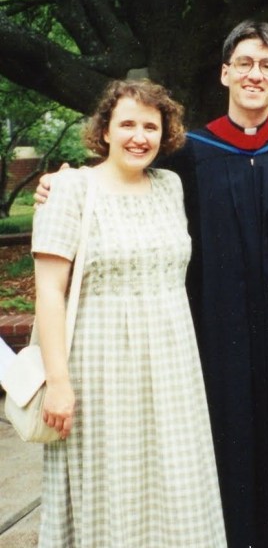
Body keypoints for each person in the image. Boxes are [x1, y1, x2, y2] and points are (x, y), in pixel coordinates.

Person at [36, 20, 268, 548]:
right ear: (225, 73)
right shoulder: (190, 155)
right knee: (216, 452)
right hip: (213, 333)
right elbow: (121, 176)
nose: (254, 74)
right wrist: (59, 182)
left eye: (267, 65)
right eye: (243, 63)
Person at [33, 79, 226, 546]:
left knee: (173, 487)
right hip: (100, 372)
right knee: (112, 486)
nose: (139, 137)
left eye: (151, 127)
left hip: (172, 371)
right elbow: (49, 291)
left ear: (165, 133)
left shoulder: (170, 187)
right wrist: (58, 384)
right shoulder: (70, 189)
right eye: (127, 125)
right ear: (104, 130)